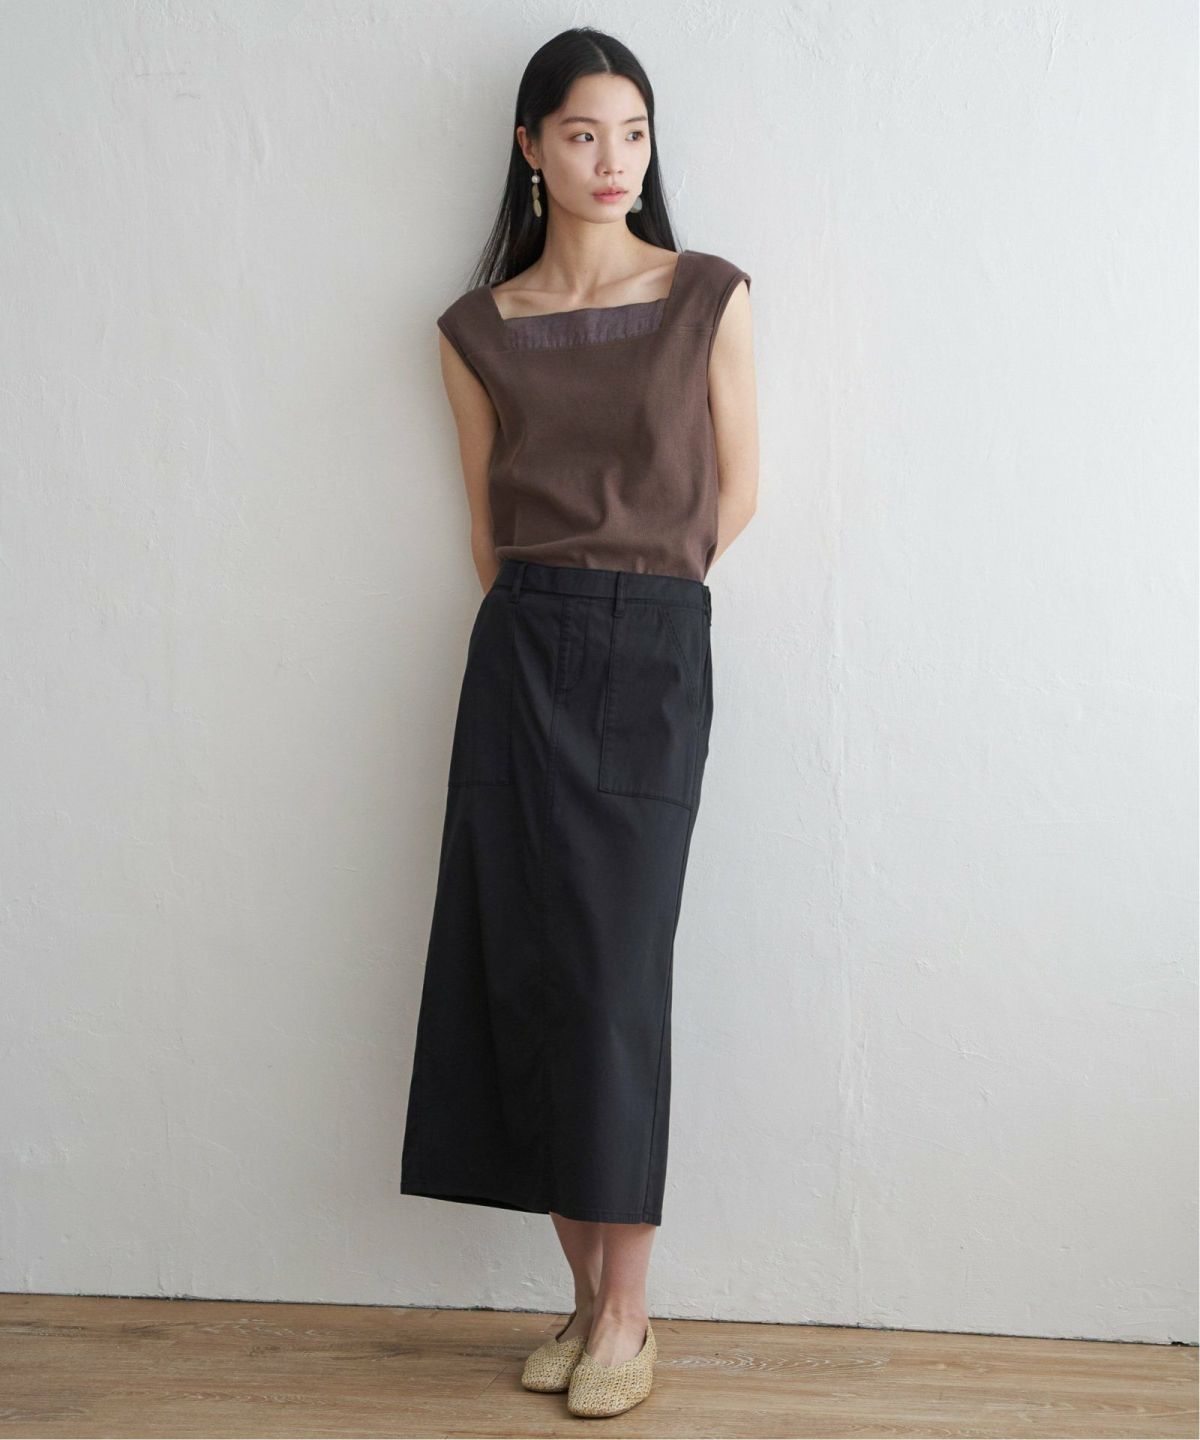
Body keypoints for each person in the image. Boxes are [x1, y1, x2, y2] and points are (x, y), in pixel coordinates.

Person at [400, 25, 757, 1418]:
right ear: (531, 148)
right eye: (584, 134)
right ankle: (581, 1296)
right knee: (529, 971)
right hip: (523, 649)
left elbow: (735, 495)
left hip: (653, 646)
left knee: (616, 977)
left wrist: (639, 595)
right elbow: (485, 526)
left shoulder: (707, 295)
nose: (615, 161)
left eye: (634, 133)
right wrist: (553, 609)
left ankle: (629, 1316)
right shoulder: (477, 330)